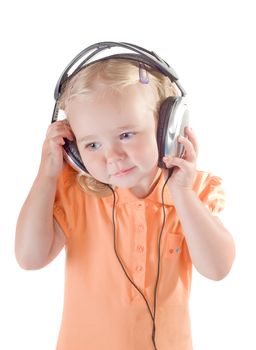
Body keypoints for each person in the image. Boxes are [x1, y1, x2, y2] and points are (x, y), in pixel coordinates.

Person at [15, 52, 236, 350]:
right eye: (92, 144)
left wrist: (183, 194)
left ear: (167, 129)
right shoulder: (77, 193)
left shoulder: (192, 191)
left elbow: (218, 268)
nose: (112, 157)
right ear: (75, 150)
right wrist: (47, 174)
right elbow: (30, 257)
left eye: (127, 134)